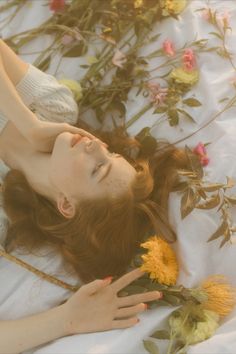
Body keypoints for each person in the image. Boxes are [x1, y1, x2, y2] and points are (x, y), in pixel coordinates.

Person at [0, 39, 187, 353]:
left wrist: (65, 320)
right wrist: (29, 124)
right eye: (111, 154)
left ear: (67, 205)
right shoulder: (53, 106)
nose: (97, 145)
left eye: (97, 169)